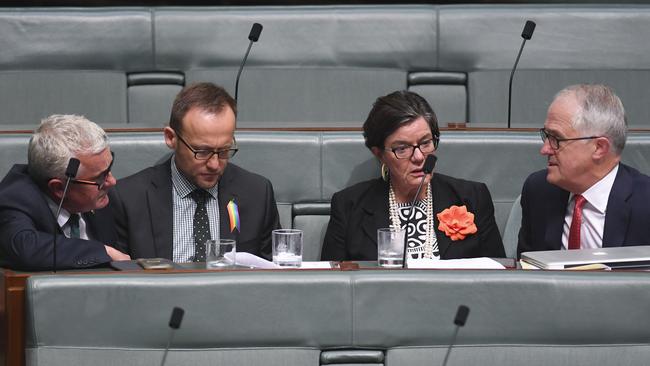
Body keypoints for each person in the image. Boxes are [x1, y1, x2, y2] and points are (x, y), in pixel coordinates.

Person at [321, 90, 505, 262]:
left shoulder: (472, 198)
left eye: (425, 143)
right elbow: (333, 286)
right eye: (402, 148)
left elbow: (498, 277)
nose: (418, 157)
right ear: (379, 153)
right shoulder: (349, 207)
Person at [110, 82, 280, 261]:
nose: (214, 164)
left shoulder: (257, 194)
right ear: (171, 138)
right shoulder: (128, 199)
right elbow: (117, 281)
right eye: (202, 152)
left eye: (224, 151)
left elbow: (273, 275)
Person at [517, 84, 650, 257]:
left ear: (599, 148)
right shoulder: (539, 190)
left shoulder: (645, 202)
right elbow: (527, 271)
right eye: (546, 136)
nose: (545, 149)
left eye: (556, 138)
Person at [0, 115, 130, 270]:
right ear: (59, 188)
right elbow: (26, 248)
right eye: (100, 177)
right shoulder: (13, 199)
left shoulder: (101, 196)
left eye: (108, 169)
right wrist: (103, 251)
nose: (112, 181)